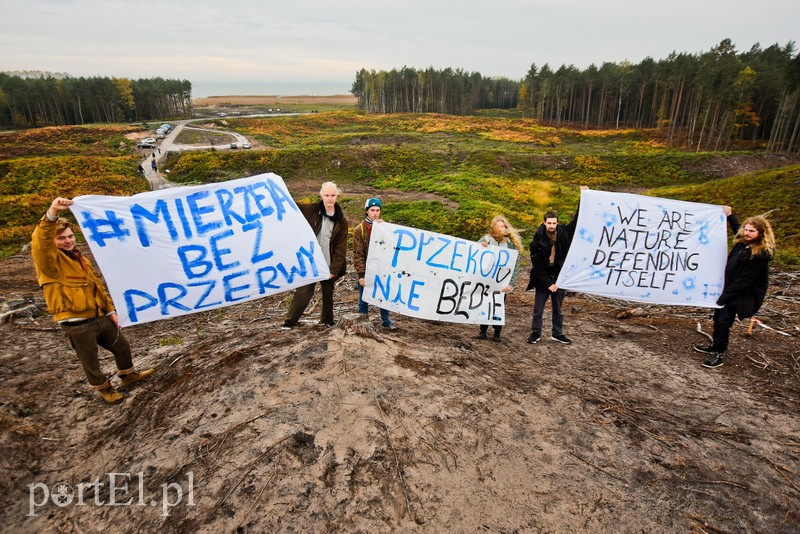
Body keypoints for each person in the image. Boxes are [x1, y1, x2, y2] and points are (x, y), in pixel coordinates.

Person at [31, 197, 155, 404]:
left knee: (121, 346)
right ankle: (104, 389)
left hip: (99, 317)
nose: (68, 241)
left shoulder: (81, 259)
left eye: (70, 236)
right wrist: (52, 212)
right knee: (90, 361)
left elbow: (96, 287)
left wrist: (110, 311)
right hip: (76, 323)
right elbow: (40, 242)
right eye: (61, 238)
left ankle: (128, 375)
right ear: (52, 242)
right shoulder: (49, 263)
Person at [694, 207, 775, 369]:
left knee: (724, 321)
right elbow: (737, 230)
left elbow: (743, 281)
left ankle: (718, 354)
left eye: (751, 231)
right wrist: (730, 215)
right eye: (746, 229)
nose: (746, 233)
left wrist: (723, 297)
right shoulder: (743, 245)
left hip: (738, 295)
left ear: (761, 233)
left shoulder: (759, 256)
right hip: (727, 290)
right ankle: (715, 346)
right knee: (717, 319)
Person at [283, 181, 349, 329]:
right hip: (310, 261)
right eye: (327, 195)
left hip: (329, 263)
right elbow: (291, 205)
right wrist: (278, 191)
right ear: (321, 195)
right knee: (304, 290)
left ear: (337, 196)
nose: (330, 198)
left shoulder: (341, 221)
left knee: (328, 292)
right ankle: (290, 321)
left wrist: (334, 270)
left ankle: (327, 320)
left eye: (333, 195)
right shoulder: (311, 210)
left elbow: (340, 248)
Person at [526, 186, 587, 345]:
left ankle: (557, 333)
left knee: (558, 309)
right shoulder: (537, 241)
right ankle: (535, 333)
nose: (552, 226)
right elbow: (537, 266)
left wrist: (583, 196)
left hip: (561, 277)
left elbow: (578, 218)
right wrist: (549, 284)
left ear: (557, 222)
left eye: (554, 223)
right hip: (543, 279)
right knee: (538, 308)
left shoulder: (564, 233)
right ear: (544, 223)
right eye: (549, 223)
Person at [475, 215, 522, 342]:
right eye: (500, 226)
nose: (503, 228)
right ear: (494, 227)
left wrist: (511, 284)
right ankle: (483, 331)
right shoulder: (486, 239)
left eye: (504, 226)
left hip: (502, 282)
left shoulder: (510, 244)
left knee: (498, 305)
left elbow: (516, 264)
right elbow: (473, 254)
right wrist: (481, 247)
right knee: (485, 304)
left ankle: (497, 332)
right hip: (487, 280)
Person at [353, 197, 396, 330]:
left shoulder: (385, 228)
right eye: (372, 210)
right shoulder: (359, 230)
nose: (375, 213)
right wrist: (361, 274)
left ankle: (386, 320)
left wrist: (385, 229)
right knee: (363, 297)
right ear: (367, 211)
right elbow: (358, 254)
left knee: (383, 294)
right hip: (367, 268)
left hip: (382, 268)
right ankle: (363, 320)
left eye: (377, 210)